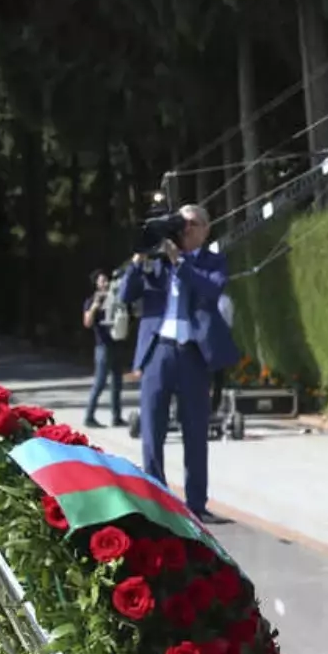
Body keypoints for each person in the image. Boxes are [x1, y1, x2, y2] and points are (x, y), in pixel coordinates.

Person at [119, 204, 240, 522]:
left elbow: (212, 288)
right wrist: (139, 260)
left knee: (196, 431)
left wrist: (180, 261)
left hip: (193, 354)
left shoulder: (213, 260)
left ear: (205, 229)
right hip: (158, 349)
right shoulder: (155, 260)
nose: (184, 230)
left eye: (191, 225)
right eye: (180, 224)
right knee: (152, 429)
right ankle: (156, 500)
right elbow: (126, 295)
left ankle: (196, 504)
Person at [81, 269, 125, 428]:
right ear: (96, 284)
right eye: (102, 281)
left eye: (107, 280)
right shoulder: (91, 300)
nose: (106, 283)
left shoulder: (116, 298)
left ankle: (116, 416)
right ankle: (89, 416)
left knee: (117, 384)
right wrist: (95, 305)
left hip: (117, 344)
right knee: (99, 383)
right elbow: (87, 322)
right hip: (103, 347)